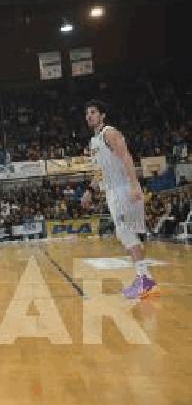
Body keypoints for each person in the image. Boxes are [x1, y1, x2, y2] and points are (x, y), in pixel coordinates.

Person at [81, 100, 159, 299]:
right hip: (112, 190)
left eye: (93, 112)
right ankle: (144, 277)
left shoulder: (109, 132)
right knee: (126, 234)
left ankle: (145, 278)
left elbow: (126, 157)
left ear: (103, 115)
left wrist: (134, 186)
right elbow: (101, 171)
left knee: (125, 232)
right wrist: (90, 190)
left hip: (123, 188)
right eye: (87, 113)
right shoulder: (94, 142)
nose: (89, 116)